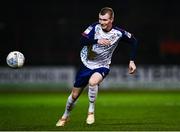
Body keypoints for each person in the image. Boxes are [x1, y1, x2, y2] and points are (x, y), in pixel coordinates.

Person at [56, 7, 138, 127]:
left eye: (105, 20)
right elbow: (81, 41)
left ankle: (91, 111)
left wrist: (132, 60)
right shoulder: (94, 27)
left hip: (102, 65)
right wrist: (96, 40)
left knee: (93, 82)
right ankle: (65, 115)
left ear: (111, 20)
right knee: (74, 96)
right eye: (100, 19)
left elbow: (134, 41)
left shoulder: (118, 33)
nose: (102, 22)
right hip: (86, 64)